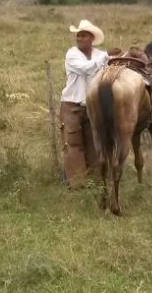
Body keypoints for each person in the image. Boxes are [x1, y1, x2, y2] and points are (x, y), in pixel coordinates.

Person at [59, 19, 121, 188]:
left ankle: (94, 181)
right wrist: (107, 56)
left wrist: (118, 57)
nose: (79, 38)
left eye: (83, 36)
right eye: (78, 36)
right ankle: (77, 183)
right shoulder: (72, 54)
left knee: (93, 144)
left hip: (92, 106)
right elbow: (85, 68)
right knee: (73, 143)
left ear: (91, 38)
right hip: (71, 105)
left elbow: (109, 67)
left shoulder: (99, 55)